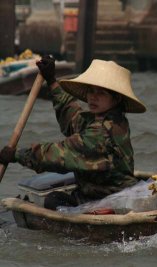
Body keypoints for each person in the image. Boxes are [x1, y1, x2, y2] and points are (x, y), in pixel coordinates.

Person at [0, 56, 146, 210]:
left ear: (116, 99)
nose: (92, 97)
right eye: (91, 91)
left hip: (111, 199)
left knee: (53, 200)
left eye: (101, 93)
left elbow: (59, 155)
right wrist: (51, 81)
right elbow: (72, 117)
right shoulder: (110, 120)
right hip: (101, 193)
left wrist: (17, 155)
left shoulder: (102, 133)